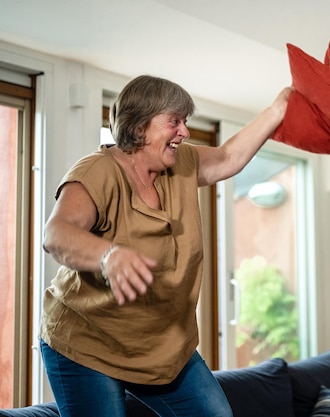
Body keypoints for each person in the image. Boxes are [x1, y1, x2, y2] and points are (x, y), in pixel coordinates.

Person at [40, 74, 292, 417]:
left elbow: (229, 156)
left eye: (185, 121)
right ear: (140, 126)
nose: (185, 132)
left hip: (163, 345)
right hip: (88, 344)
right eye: (174, 121)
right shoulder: (98, 171)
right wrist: (108, 256)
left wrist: (278, 108)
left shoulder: (181, 165)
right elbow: (56, 234)